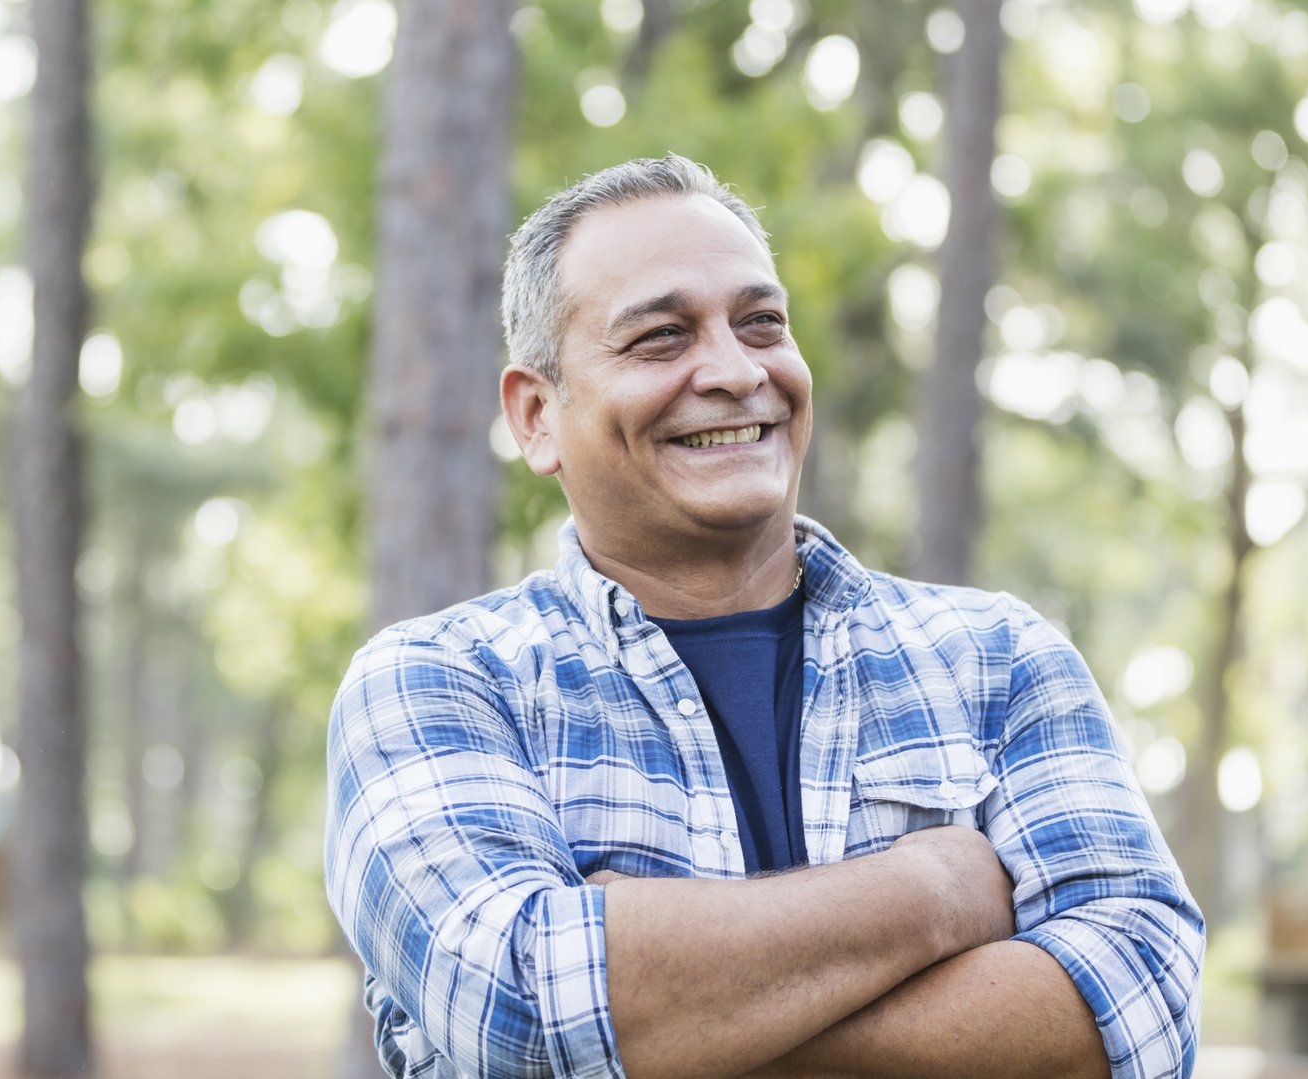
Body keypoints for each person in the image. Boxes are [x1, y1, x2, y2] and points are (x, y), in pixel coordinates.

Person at [325, 155, 1202, 1079]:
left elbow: (1142, 1007)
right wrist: (934, 892)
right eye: (662, 337)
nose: (738, 371)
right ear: (537, 414)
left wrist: (665, 1001)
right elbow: (518, 1006)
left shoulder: (1000, 660)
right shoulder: (436, 682)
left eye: (761, 323)